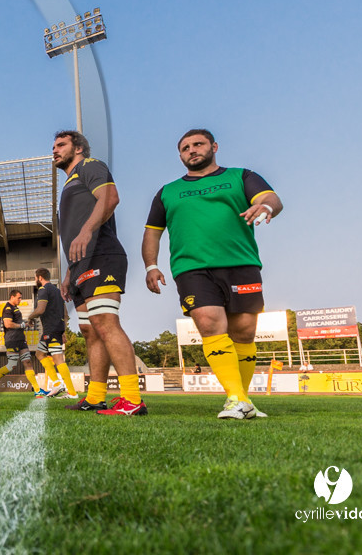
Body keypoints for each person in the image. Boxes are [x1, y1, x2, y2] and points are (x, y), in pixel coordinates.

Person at [143, 128, 283, 420]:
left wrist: (266, 205)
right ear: (180, 155)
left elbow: (271, 197)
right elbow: (152, 233)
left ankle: (243, 400)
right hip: (191, 268)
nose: (192, 150)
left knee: (244, 330)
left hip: (241, 263)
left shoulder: (241, 176)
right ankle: (234, 398)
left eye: (198, 144)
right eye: (185, 148)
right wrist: (151, 265)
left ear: (214, 146)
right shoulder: (166, 192)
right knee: (208, 322)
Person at [52, 130, 146, 416]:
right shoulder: (68, 184)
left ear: (78, 148)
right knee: (89, 331)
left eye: (61, 145)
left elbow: (110, 197)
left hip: (102, 255)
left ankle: (131, 398)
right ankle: (96, 396)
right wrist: (69, 273)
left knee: (105, 322)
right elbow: (73, 237)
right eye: (53, 146)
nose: (54, 150)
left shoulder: (89, 166)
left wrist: (87, 230)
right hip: (80, 265)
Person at [25, 268, 78, 398]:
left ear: (39, 277)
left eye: (35, 278)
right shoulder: (58, 291)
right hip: (56, 328)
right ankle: (56, 383)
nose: (35, 280)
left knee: (58, 358)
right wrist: (63, 330)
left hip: (51, 329)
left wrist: (30, 317)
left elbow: (40, 309)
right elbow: (65, 314)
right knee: (40, 354)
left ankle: (72, 392)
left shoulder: (43, 290)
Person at [0, 290, 39, 394]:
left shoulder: (15, 308)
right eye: (19, 298)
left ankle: (37, 390)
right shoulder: (8, 308)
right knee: (12, 365)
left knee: (28, 362)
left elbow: (17, 323)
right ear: (12, 297)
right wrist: (22, 325)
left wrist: (26, 323)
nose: (20, 300)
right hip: (12, 340)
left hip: (21, 340)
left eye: (21, 298)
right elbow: (8, 324)